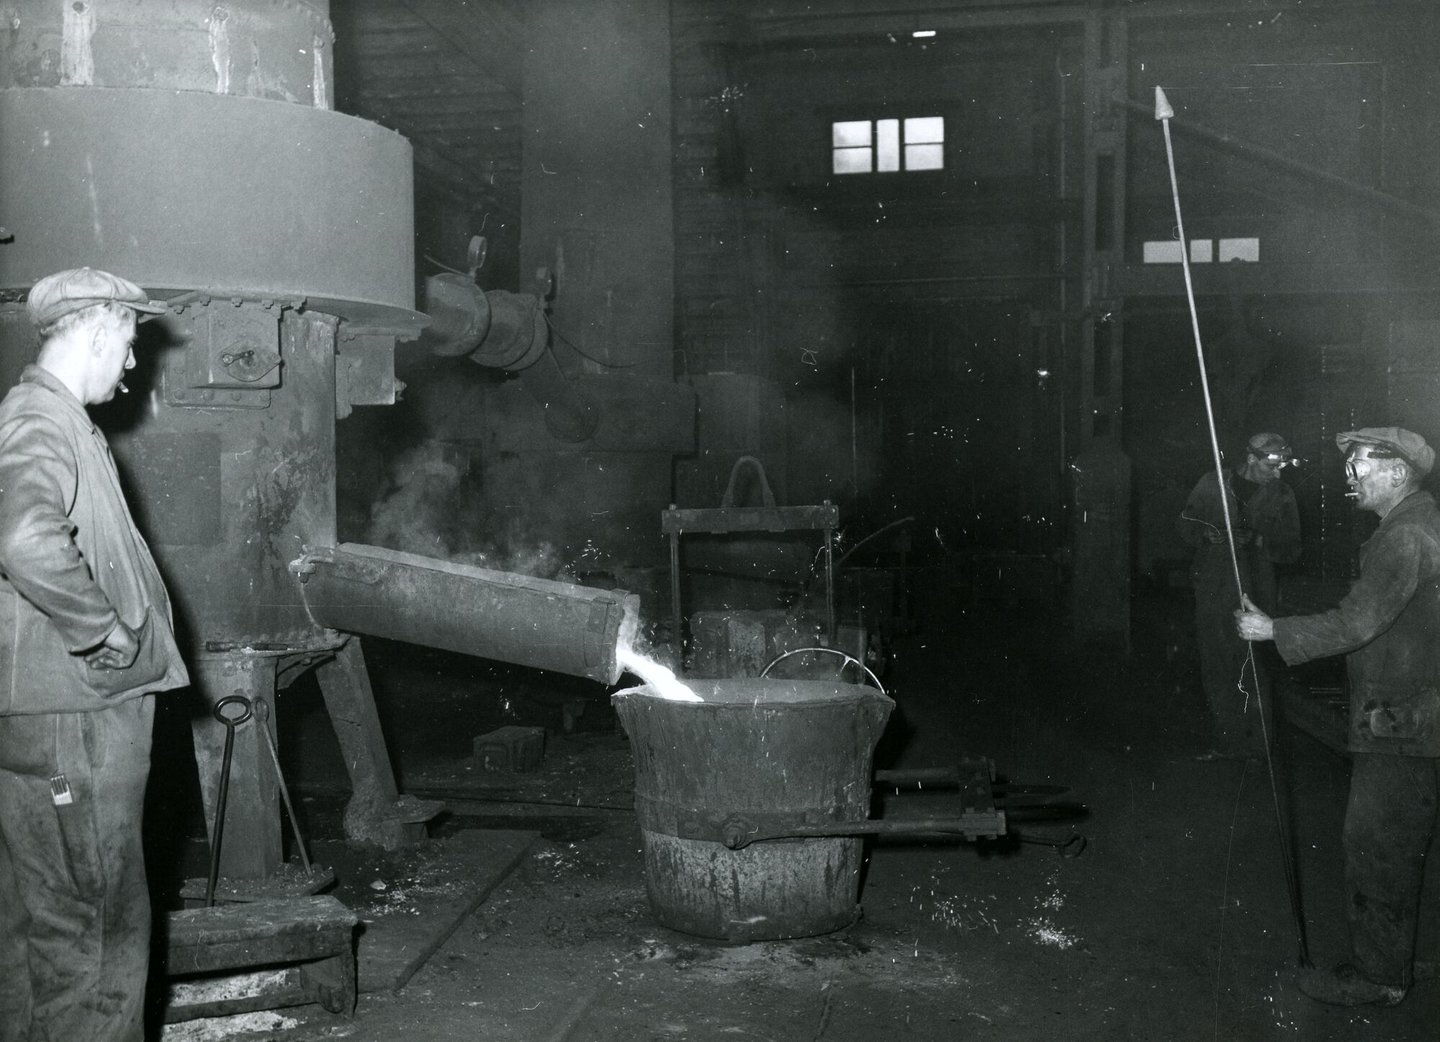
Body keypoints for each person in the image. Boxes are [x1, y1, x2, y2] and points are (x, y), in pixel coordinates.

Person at [0, 268, 189, 1042]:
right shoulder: (41, 420)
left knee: (39, 931)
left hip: (48, 716)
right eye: (133, 343)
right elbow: (21, 535)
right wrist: (100, 629)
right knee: (99, 935)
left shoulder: (50, 420)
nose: (134, 363)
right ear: (102, 327)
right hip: (78, 717)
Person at [1236, 427, 1440, 1007]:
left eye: (1359, 464)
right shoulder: (1416, 525)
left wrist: (1272, 630)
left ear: (1397, 473)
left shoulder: (1405, 537)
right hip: (1419, 710)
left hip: (1403, 721)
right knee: (1401, 844)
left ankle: (1379, 979)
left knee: (1376, 847)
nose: (1349, 475)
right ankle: (1396, 960)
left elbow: (1357, 623)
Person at [1177, 431, 1301, 755]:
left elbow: (1292, 550)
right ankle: (1227, 742)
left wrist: (1260, 541)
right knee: (1216, 665)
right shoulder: (1212, 483)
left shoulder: (1282, 494)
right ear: (1250, 458)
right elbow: (1185, 523)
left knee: (1253, 668)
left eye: (1282, 465)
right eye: (1270, 465)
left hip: (1256, 593)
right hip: (1213, 590)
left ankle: (1258, 748)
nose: (1277, 473)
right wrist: (1205, 533)